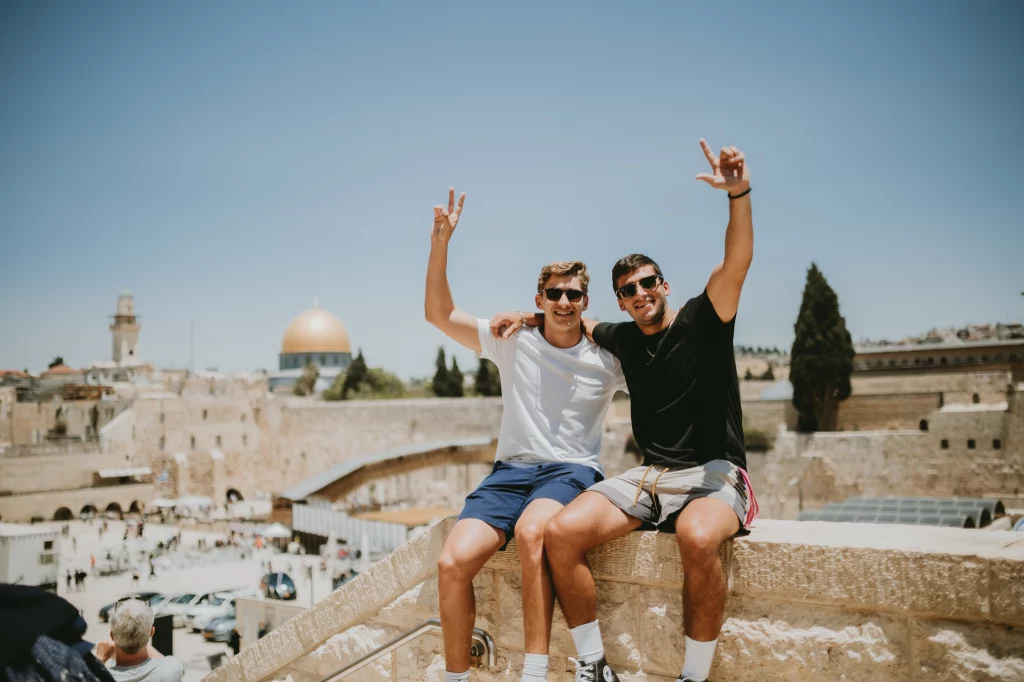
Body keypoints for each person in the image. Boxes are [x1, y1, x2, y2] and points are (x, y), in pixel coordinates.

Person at [493, 140, 757, 682]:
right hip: (652, 475)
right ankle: (594, 665)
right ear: (619, 301)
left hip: (715, 472)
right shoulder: (621, 337)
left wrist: (738, 194)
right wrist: (530, 314)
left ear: (664, 286)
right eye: (627, 290)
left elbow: (737, 261)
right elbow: (573, 321)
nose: (639, 294)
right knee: (561, 534)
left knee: (698, 538)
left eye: (646, 283)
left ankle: (694, 676)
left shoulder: (706, 319)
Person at [425, 188, 627, 682]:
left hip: (571, 470)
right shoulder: (511, 339)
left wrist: (541, 315)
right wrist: (440, 242)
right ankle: (456, 678)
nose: (563, 302)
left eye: (573, 295)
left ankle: (534, 671)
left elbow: (660, 344)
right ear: (539, 298)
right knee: (452, 563)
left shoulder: (608, 358)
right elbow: (438, 314)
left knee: (536, 531)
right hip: (508, 474)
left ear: (585, 301)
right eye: (553, 295)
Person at [96, 599, 183, 682]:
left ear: (112, 635)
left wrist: (99, 660)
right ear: (152, 632)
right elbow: (164, 662)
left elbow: (86, 675)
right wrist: (139, 634)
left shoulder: (98, 678)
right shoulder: (171, 670)